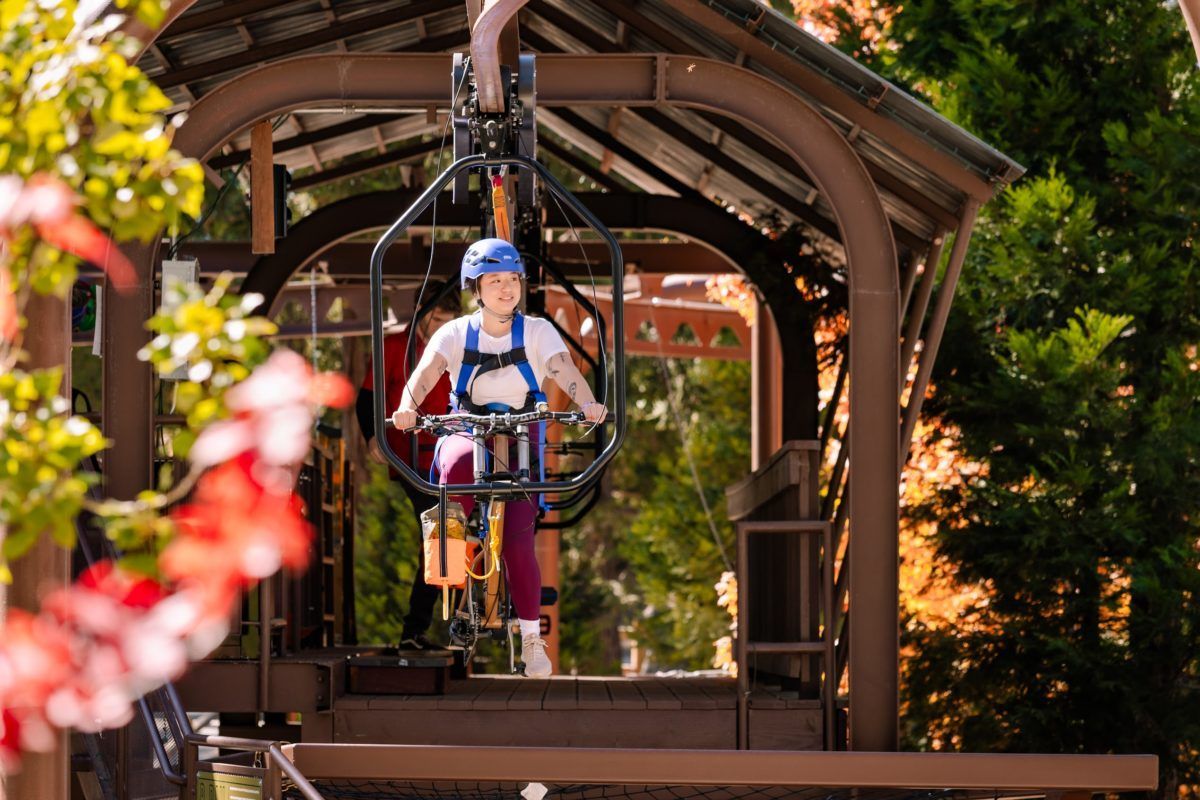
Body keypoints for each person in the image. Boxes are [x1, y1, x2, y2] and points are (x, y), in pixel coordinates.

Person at [391, 239, 606, 677]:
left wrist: (587, 403)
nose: (507, 289)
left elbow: (563, 368)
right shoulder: (454, 334)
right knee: (455, 470)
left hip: (522, 428)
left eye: (512, 280)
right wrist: (407, 406)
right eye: (495, 281)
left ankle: (531, 640)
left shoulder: (538, 331)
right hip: (466, 425)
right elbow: (428, 371)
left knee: (519, 542)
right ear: (477, 287)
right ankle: (457, 550)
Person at [356, 281, 460, 650]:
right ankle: (419, 629)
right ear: (420, 313)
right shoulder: (394, 348)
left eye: (448, 320)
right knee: (441, 530)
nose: (440, 327)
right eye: (435, 319)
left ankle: (426, 629)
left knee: (451, 534)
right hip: (411, 458)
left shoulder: (458, 348)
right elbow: (367, 398)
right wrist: (373, 436)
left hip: (452, 454)